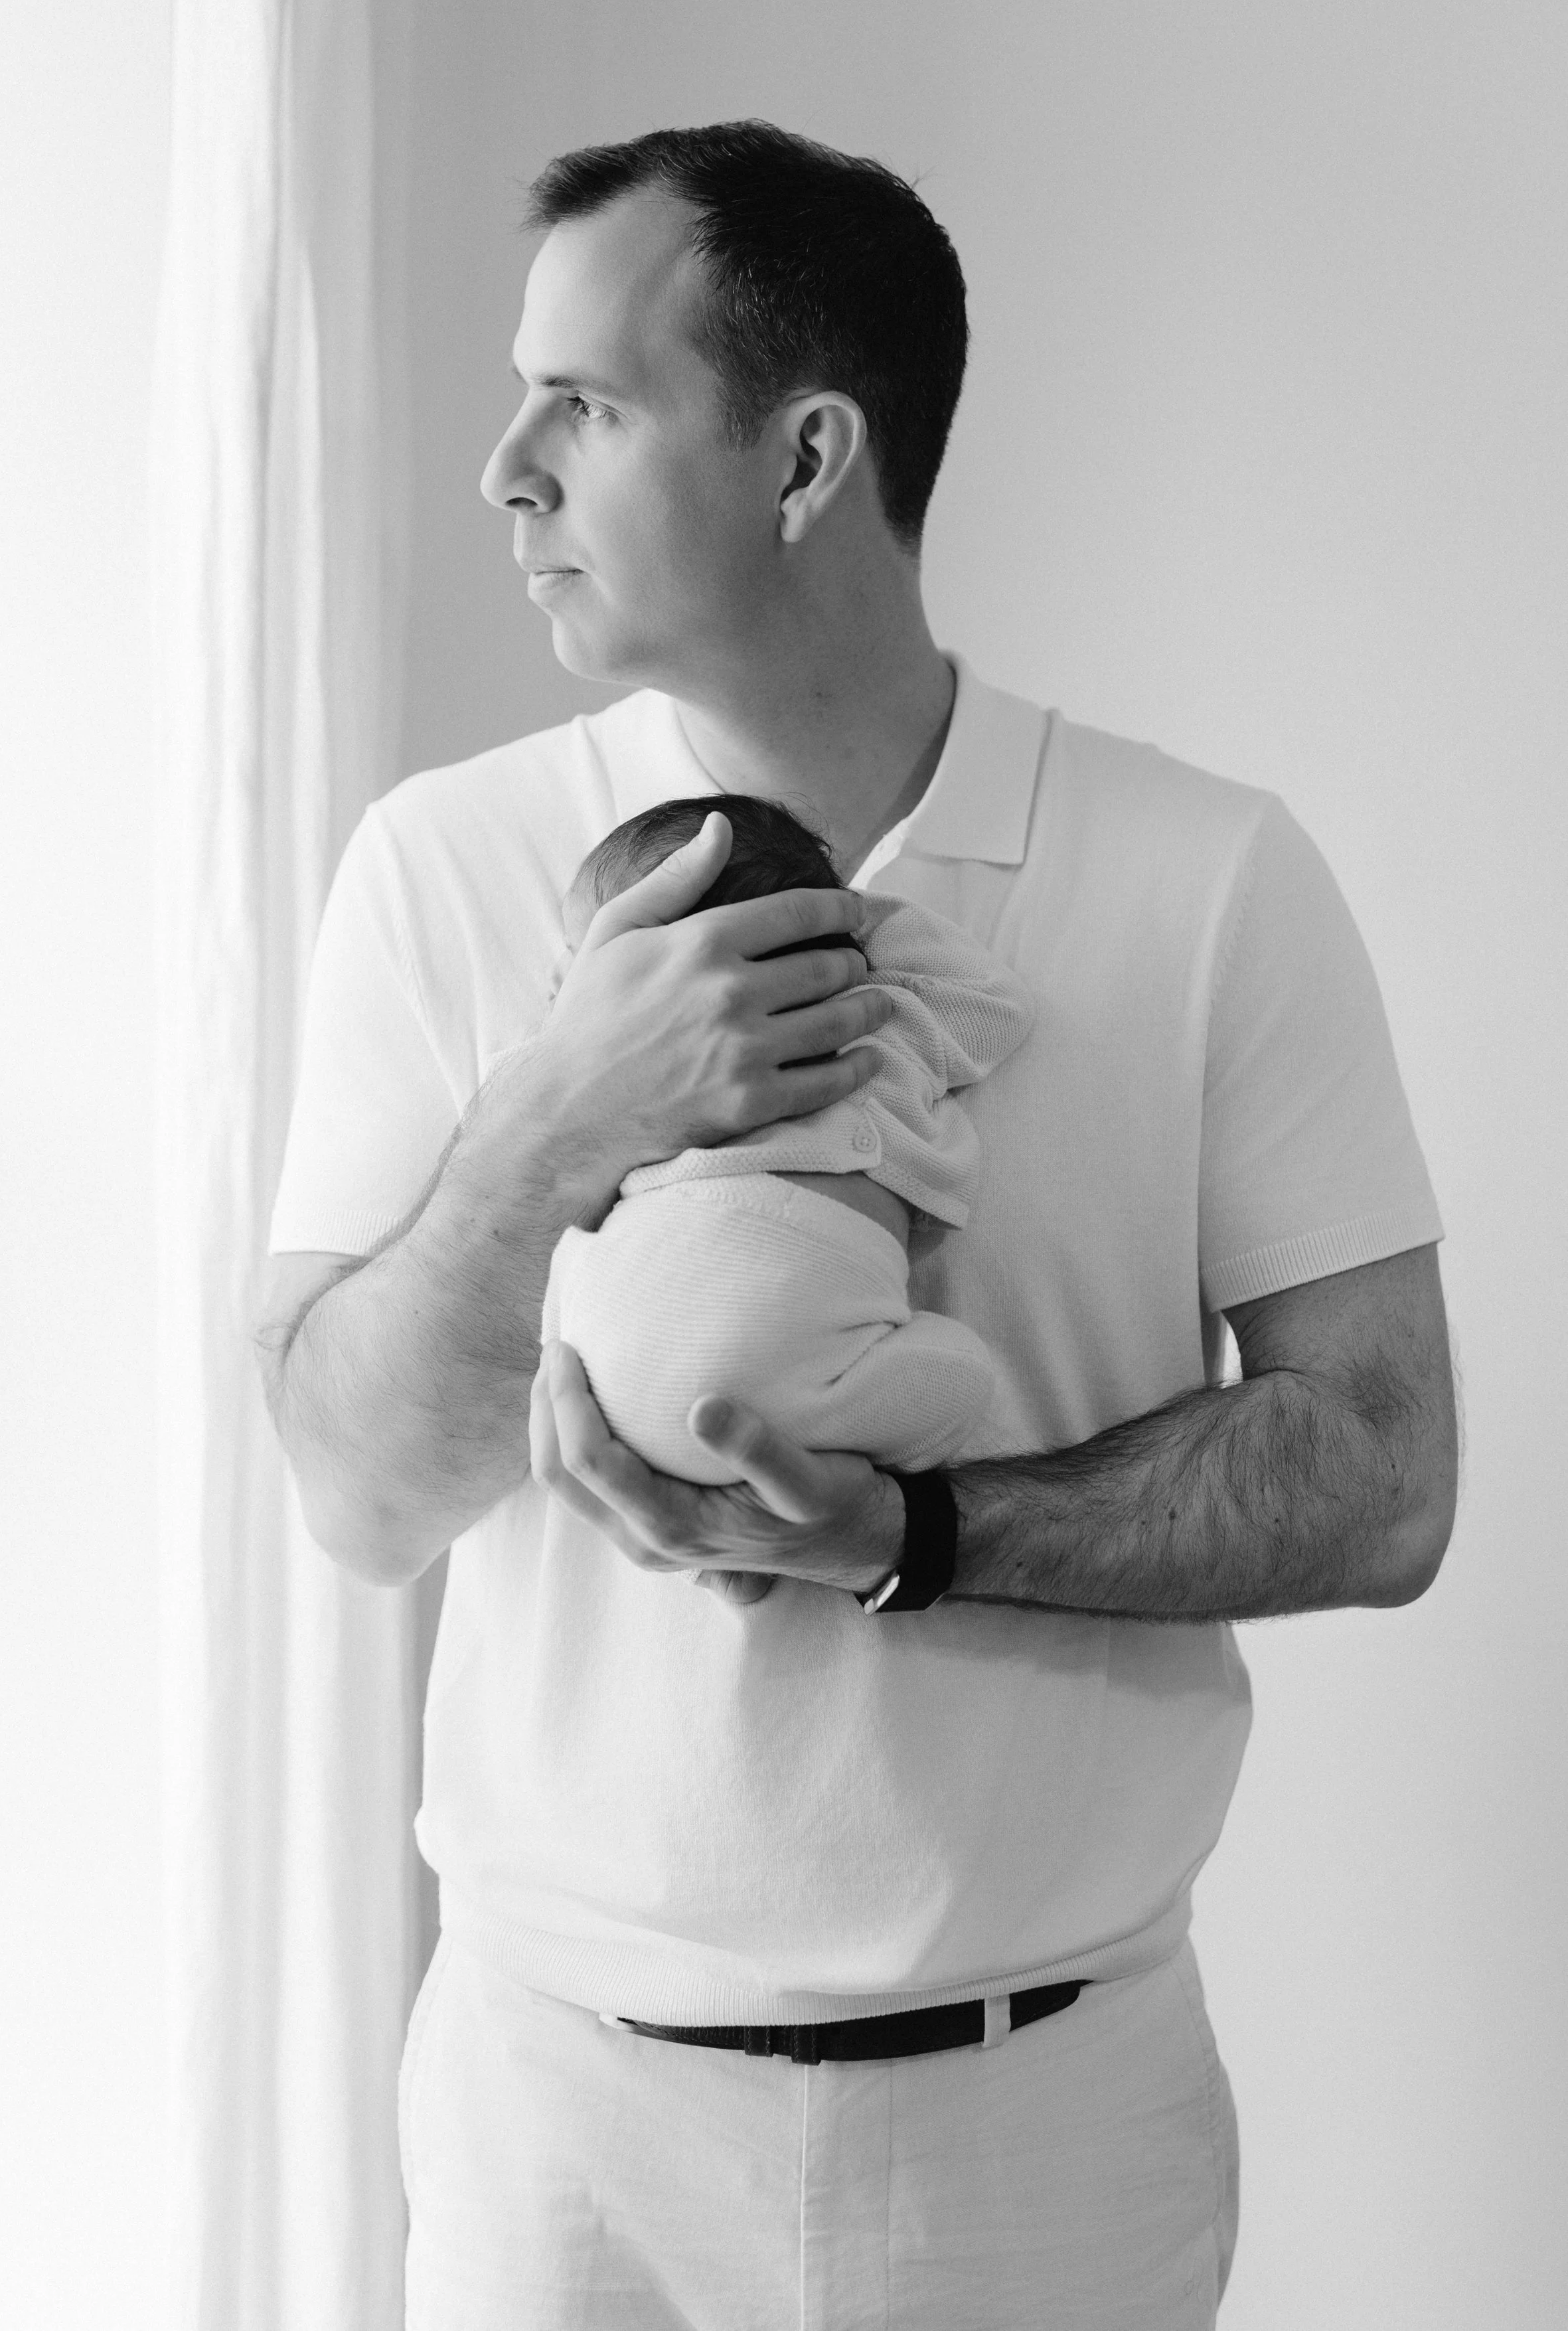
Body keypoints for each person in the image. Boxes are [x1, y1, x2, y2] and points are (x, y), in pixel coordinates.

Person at [257, 120, 1457, 2330]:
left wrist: (915, 1524)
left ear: (809, 453)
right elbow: (350, 1483)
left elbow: (1381, 1470)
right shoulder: (444, 868)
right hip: (557, 2139)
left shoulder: (1207, 878)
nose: (506, 470)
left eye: (586, 405)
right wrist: (557, 1117)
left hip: (1047, 2141)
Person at [544, 793, 1032, 1581]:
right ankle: (772, 1521)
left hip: (608, 1400)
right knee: (966, 1370)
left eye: (589, 964)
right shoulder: (884, 1029)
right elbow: (993, 1005)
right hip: (779, 1390)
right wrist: (851, 916)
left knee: (584, 1250)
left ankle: (740, 1534)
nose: (562, 985)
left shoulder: (614, 1101)